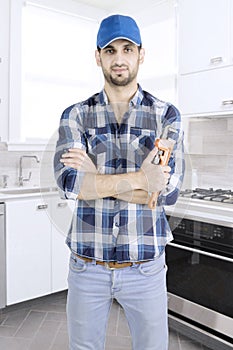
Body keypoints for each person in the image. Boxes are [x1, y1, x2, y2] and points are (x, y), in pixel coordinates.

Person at [54, 14, 185, 350]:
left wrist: (95, 179)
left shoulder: (165, 115)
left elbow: (166, 193)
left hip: (145, 268)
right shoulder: (76, 115)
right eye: (110, 50)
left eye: (127, 49)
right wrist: (142, 178)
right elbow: (70, 183)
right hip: (88, 266)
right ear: (98, 57)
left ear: (141, 54)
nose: (119, 58)